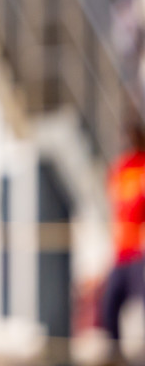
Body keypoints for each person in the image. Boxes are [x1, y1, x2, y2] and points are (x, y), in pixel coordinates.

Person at [103, 122, 145, 362]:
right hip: (120, 253)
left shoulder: (142, 169)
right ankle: (116, 354)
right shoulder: (117, 172)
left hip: (140, 253)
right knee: (110, 305)